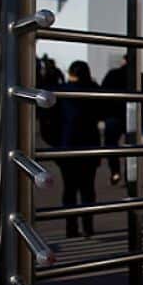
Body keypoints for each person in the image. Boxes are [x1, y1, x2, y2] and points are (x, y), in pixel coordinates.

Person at [53, 61, 103, 238]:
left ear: (71, 74)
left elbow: (50, 122)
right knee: (88, 189)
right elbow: (102, 113)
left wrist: (54, 145)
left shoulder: (61, 92)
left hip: (67, 147)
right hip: (90, 146)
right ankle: (88, 227)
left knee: (69, 190)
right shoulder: (94, 90)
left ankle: (71, 228)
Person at [101, 57, 128, 185]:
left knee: (112, 146)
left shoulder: (113, 74)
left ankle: (115, 172)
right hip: (132, 116)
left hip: (113, 116)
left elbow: (102, 92)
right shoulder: (139, 76)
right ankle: (131, 175)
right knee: (132, 149)